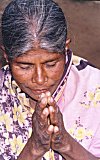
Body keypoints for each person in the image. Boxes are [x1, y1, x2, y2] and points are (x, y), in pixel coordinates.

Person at [0, 0, 100, 159]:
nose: (40, 79)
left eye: (51, 64)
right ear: (6, 56)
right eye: (25, 66)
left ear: (65, 49)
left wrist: (65, 144)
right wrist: (34, 148)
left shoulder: (95, 90)